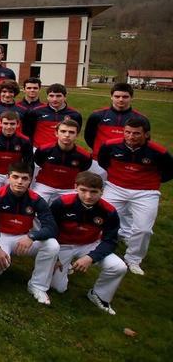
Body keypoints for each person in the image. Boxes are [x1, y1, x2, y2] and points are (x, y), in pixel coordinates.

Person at [97, 118, 172, 275]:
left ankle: (133, 259)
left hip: (146, 192)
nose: (131, 137)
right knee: (100, 218)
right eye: (127, 132)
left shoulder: (159, 152)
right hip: (115, 188)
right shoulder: (110, 145)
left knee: (143, 229)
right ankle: (96, 248)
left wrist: (149, 182)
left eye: (136, 134)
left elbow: (169, 172)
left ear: (146, 134)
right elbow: (104, 162)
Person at [50, 172, 127, 315]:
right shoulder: (61, 203)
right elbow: (49, 230)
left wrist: (90, 257)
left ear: (102, 192)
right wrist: (54, 256)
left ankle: (99, 295)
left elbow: (110, 241)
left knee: (118, 267)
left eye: (94, 192)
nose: (88, 196)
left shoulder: (109, 211)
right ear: (75, 187)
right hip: (63, 245)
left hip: (89, 244)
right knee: (58, 288)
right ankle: (64, 269)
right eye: (83, 190)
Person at [0, 163, 59, 305]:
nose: (19, 182)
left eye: (24, 178)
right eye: (15, 177)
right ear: (8, 178)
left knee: (52, 245)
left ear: (30, 180)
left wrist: (32, 236)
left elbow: (52, 228)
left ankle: (37, 286)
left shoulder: (36, 200)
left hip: (23, 237)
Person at [32, 119, 93, 203]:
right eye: (63, 131)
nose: (67, 135)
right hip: (44, 186)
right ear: (56, 133)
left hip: (69, 189)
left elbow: (83, 169)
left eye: (71, 132)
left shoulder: (84, 156)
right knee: (35, 209)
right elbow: (39, 162)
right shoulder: (43, 150)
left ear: (77, 135)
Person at [84, 82, 151, 155]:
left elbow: (144, 142)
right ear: (111, 97)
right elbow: (88, 137)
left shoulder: (141, 119)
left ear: (131, 97)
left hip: (126, 161)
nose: (121, 99)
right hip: (98, 159)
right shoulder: (97, 115)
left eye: (125, 97)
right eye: (117, 96)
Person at [0, 111, 33, 190]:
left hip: (14, 175)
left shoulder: (25, 140)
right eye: (5, 123)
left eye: (12, 124)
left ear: (18, 124)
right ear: (0, 123)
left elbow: (29, 163)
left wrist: (25, 183)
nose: (8, 127)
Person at [23, 84, 83, 149]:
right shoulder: (35, 112)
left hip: (63, 150)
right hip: (38, 149)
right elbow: (27, 132)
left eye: (58, 96)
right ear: (47, 97)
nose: (54, 99)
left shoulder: (74, 114)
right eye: (51, 96)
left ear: (65, 97)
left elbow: (76, 133)